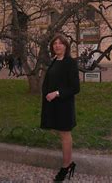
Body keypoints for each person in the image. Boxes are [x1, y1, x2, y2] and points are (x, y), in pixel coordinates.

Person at [40, 34, 80, 182]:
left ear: (66, 46)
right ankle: (68, 163)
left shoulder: (70, 62)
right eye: (55, 43)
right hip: (54, 104)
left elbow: (75, 87)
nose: (57, 45)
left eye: (60, 43)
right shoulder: (55, 61)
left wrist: (57, 93)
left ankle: (66, 166)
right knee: (61, 134)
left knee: (65, 135)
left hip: (64, 104)